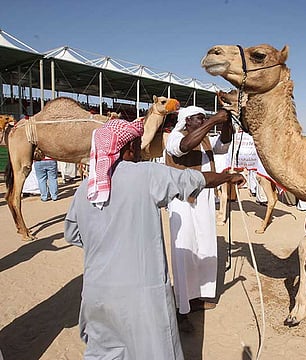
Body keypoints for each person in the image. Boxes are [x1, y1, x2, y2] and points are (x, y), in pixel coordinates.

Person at [64, 118, 244, 359]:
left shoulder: (84, 188)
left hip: (95, 297)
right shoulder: (146, 174)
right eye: (138, 145)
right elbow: (194, 180)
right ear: (129, 148)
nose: (141, 150)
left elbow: (73, 234)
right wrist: (226, 178)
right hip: (140, 298)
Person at [165, 106, 232, 329]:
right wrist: (213, 121)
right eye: (199, 118)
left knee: (205, 247)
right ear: (187, 121)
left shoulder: (205, 139)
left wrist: (226, 123)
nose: (203, 120)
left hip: (203, 200)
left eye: (204, 117)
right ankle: (181, 307)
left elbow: (223, 144)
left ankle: (198, 297)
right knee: (184, 251)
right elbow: (184, 148)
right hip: (181, 201)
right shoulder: (175, 137)